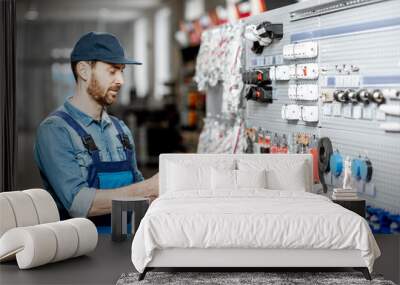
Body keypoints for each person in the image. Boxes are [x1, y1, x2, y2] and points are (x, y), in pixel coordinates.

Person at [34, 32, 158, 227]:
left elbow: (141, 193)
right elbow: (79, 204)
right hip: (82, 251)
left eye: (122, 71)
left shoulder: (121, 130)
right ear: (83, 70)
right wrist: (149, 187)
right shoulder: (55, 131)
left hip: (128, 246)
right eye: (112, 71)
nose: (121, 80)